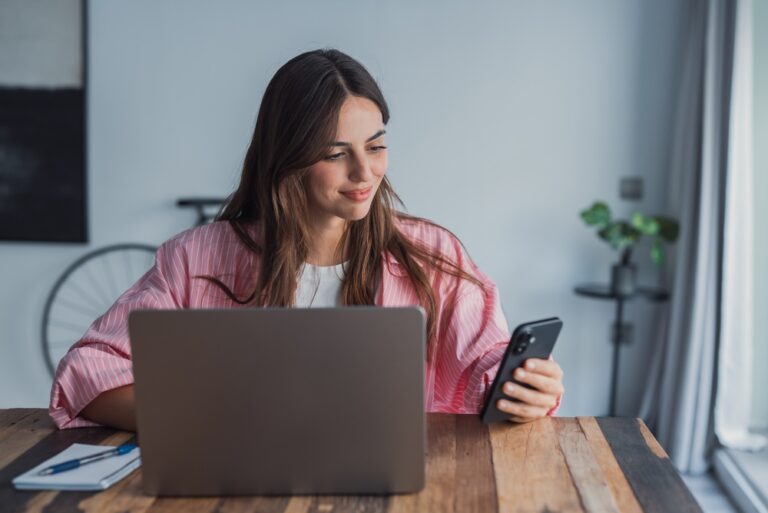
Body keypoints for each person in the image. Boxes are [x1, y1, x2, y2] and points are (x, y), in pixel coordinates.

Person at [50, 49, 564, 432]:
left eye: (377, 146)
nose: (366, 172)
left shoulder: (433, 256)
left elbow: (484, 367)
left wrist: (526, 387)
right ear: (288, 156)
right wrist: (211, 421)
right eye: (336, 152)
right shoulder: (197, 258)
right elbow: (89, 372)